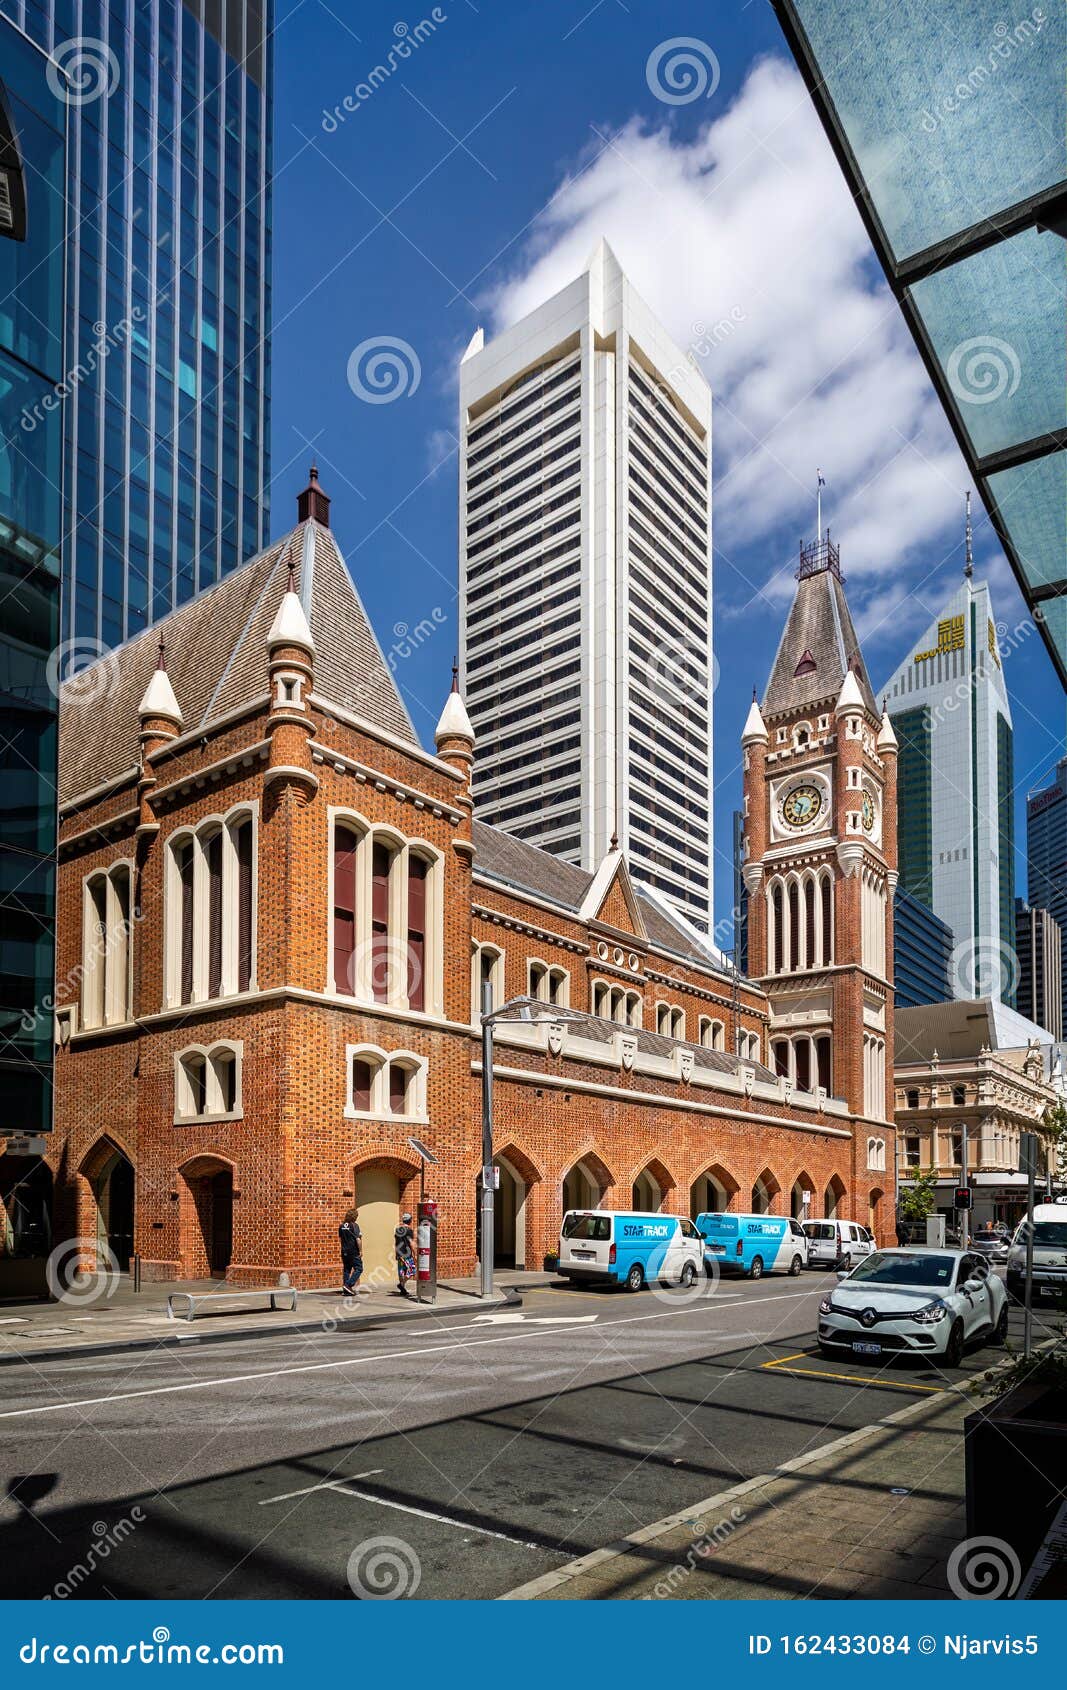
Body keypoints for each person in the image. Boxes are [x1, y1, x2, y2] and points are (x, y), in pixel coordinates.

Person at [339, 1207, 363, 1296]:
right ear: (354, 1217)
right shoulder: (354, 1225)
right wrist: (360, 1250)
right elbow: (358, 1239)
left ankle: (346, 1290)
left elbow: (341, 1239)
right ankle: (348, 1285)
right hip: (353, 1251)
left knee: (347, 1270)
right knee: (359, 1268)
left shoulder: (341, 1226)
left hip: (344, 1251)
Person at [394, 1212, 416, 1297]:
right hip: (407, 1254)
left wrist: (397, 1253)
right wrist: (415, 1254)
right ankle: (401, 1284)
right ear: (410, 1220)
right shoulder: (409, 1230)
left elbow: (396, 1243)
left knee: (401, 1271)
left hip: (400, 1254)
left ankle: (402, 1290)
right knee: (412, 1270)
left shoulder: (397, 1230)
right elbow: (411, 1243)